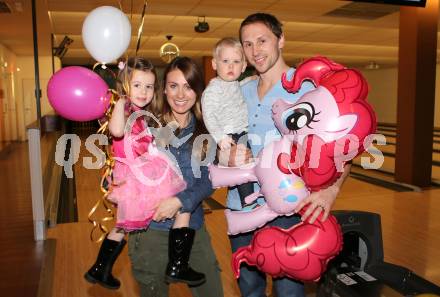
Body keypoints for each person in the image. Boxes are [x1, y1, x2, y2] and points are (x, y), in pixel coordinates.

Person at [225, 13, 352, 297]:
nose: (255, 50)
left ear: (281, 40)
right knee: (249, 288)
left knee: (289, 292)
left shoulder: (308, 90)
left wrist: (331, 191)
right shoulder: (238, 91)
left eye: (262, 40)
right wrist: (225, 154)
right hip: (241, 208)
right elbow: (218, 142)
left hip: (290, 210)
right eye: (247, 44)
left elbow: (343, 148)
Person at [84, 57, 205, 290]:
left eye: (149, 86)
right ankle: (178, 264)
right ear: (124, 86)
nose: (144, 91)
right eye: (137, 85)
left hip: (142, 171)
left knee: (123, 224)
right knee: (182, 204)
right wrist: (120, 102)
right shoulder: (124, 107)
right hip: (140, 174)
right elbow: (117, 130)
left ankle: (100, 267)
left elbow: (148, 138)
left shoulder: (141, 111)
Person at [127, 56, 224, 297]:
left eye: (188, 86)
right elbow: (128, 167)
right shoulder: (146, 126)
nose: (181, 94)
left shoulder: (208, 130)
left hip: (193, 229)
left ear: (197, 90)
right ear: (164, 89)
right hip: (150, 232)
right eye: (173, 86)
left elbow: (209, 179)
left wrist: (180, 201)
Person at [201, 37, 254, 207]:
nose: (231, 66)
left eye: (236, 61)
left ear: (243, 66)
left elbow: (238, 87)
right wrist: (220, 137)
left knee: (254, 164)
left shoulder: (236, 84)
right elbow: (209, 115)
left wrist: (251, 80)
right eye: (225, 61)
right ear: (215, 64)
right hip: (230, 136)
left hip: (245, 132)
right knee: (242, 167)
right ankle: (247, 201)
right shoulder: (213, 90)